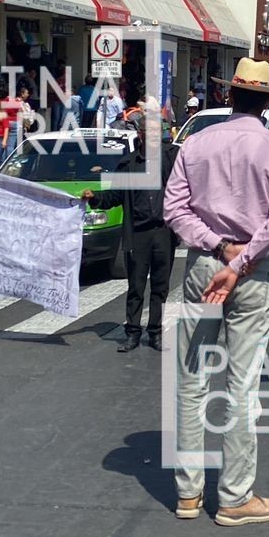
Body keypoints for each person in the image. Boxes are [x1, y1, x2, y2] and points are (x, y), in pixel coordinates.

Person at [163, 58, 269, 527]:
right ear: (266, 104)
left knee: (191, 378)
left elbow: (174, 210)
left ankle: (187, 493)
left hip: (204, 265)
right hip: (254, 272)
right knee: (242, 385)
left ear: (228, 96)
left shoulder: (195, 145)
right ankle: (235, 496)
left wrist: (220, 248)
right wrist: (240, 262)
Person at [82, 103, 178, 352]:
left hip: (163, 232)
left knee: (160, 286)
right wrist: (94, 197)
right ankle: (132, 332)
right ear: (141, 135)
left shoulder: (171, 158)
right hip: (138, 233)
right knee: (136, 286)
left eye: (159, 132)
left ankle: (155, 332)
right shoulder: (129, 164)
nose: (156, 137)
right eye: (151, 132)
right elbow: (114, 196)